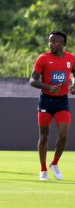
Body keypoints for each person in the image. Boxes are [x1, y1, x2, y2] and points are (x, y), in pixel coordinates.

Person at [29, 30, 75, 181]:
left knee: (63, 134)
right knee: (44, 135)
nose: (51, 44)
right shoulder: (43, 58)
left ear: (63, 44)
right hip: (46, 100)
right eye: (49, 41)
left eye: (54, 41)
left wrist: (73, 84)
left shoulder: (71, 58)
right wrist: (49, 87)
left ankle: (54, 163)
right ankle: (43, 169)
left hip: (62, 101)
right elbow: (33, 80)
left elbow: (74, 73)